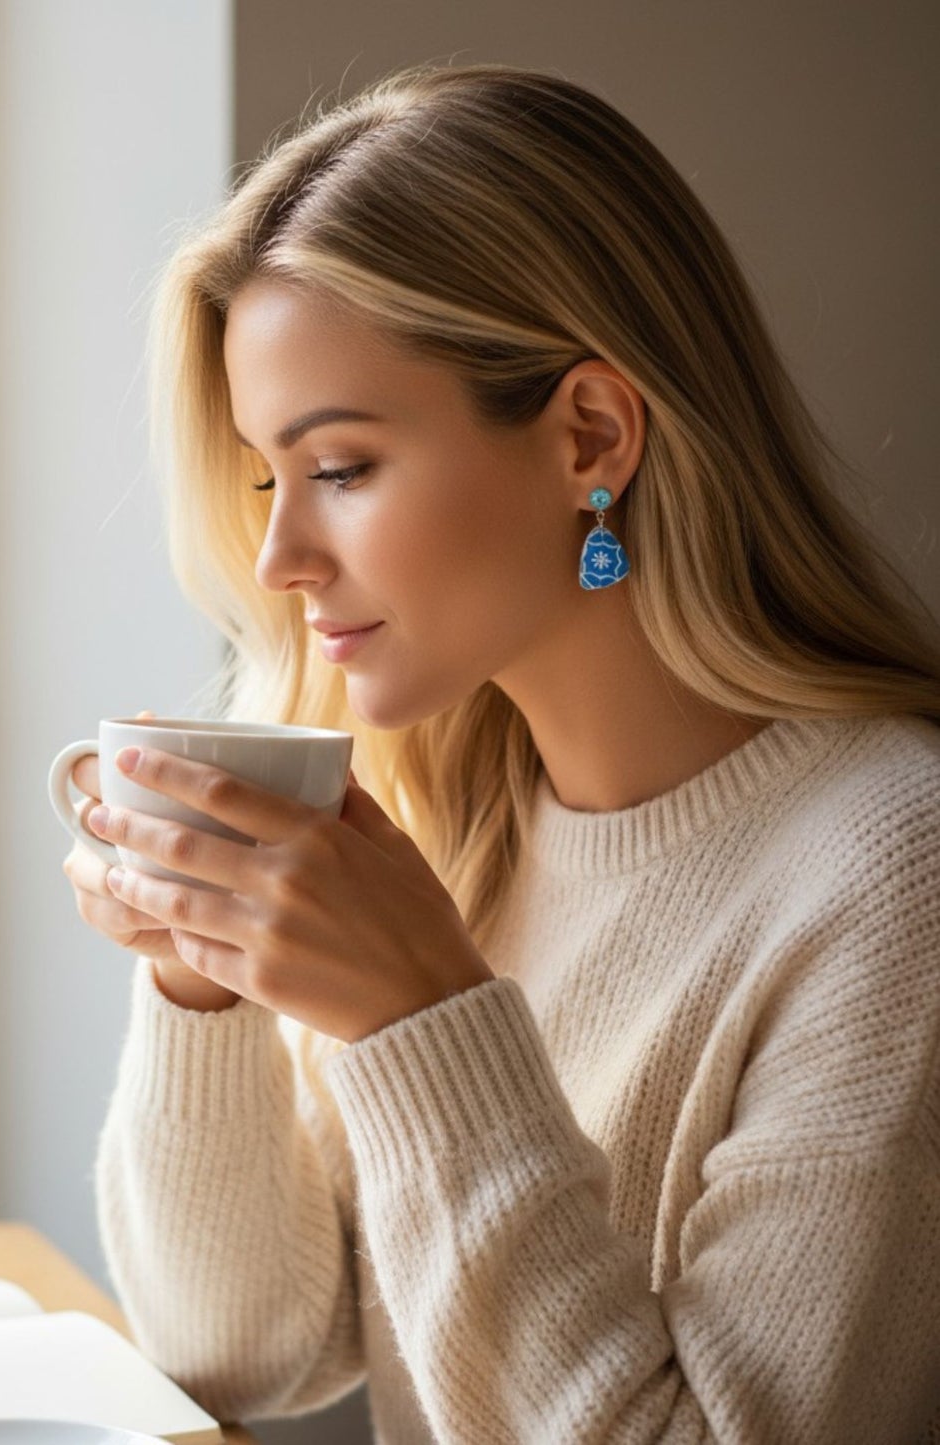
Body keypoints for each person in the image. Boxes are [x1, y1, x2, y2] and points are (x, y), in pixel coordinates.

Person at [60, 61, 940, 1443]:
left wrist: (424, 1021)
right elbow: (239, 1352)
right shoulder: (453, 817)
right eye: (260, 479)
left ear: (588, 435)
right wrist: (198, 986)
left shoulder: (894, 879)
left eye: (340, 468)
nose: (281, 556)